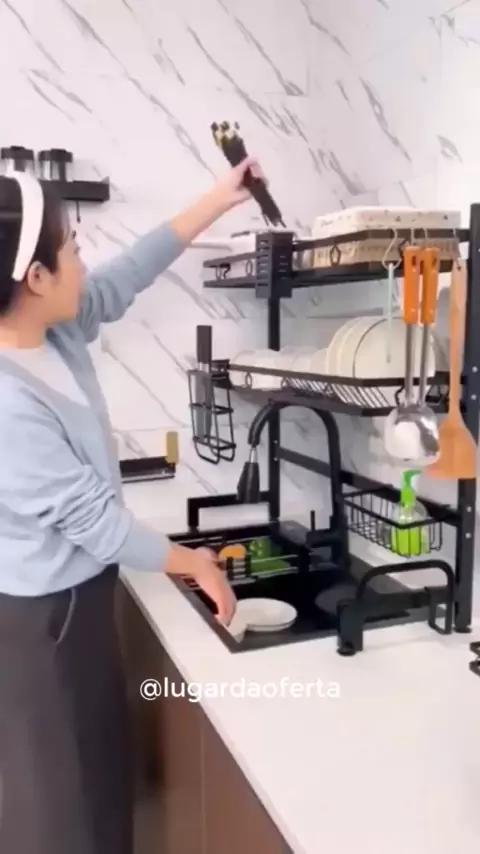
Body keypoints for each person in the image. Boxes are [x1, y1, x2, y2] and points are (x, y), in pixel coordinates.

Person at [0, 158, 258, 854]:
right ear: (36, 277)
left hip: (78, 604)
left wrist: (218, 198)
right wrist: (194, 563)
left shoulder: (49, 331)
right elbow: (95, 523)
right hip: (44, 622)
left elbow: (126, 276)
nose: (84, 256)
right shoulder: (7, 403)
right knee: (66, 812)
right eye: (71, 247)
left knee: (97, 788)